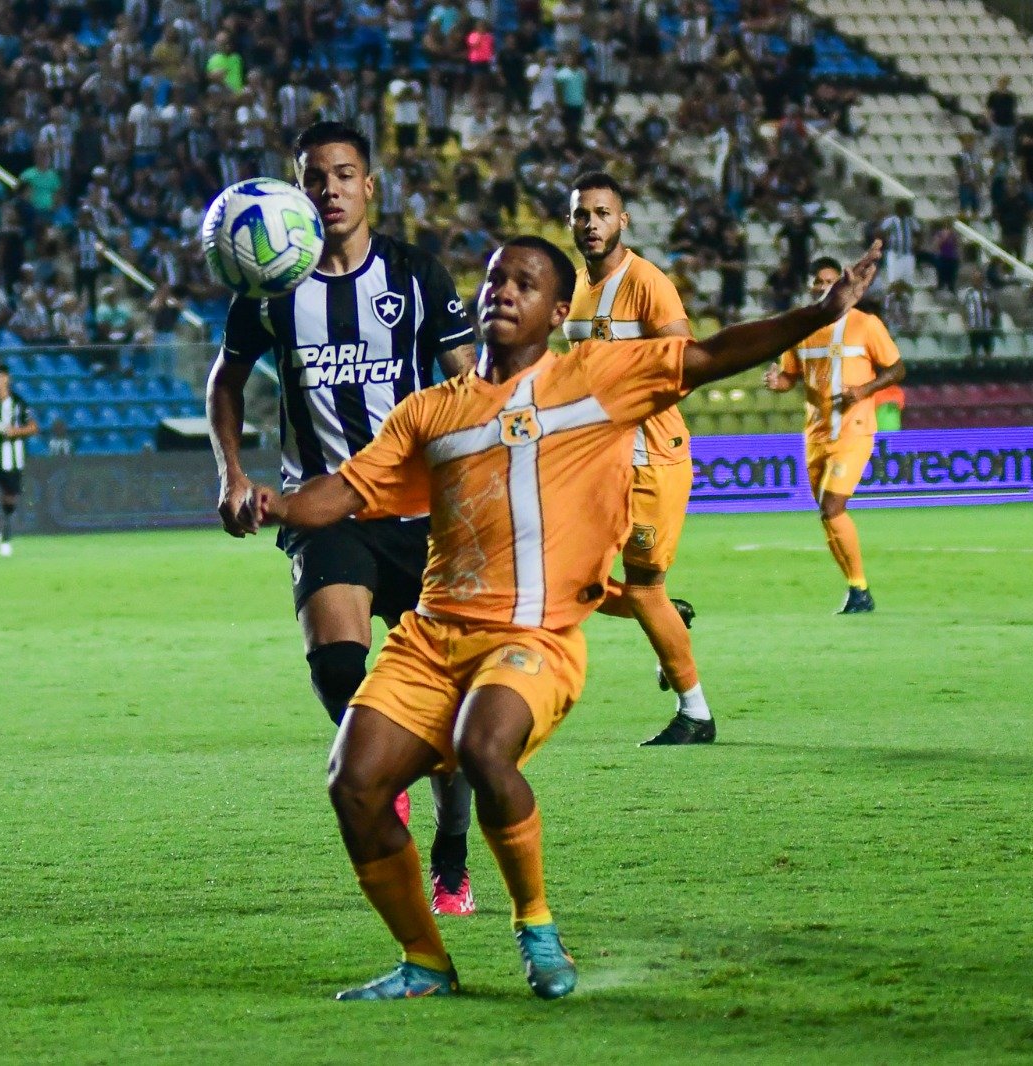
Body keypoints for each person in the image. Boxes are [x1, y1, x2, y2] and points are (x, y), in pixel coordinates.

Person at [236, 235, 883, 1002]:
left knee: (484, 747)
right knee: (354, 782)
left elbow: (711, 356)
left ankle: (535, 927)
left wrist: (819, 312)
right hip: (435, 635)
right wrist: (270, 502)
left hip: (534, 637)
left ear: (558, 309)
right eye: (496, 278)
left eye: (526, 283)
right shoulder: (430, 412)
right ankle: (426, 961)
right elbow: (344, 492)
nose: (503, 291)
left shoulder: (601, 378)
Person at [207, 121, 481, 915]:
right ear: (298, 190)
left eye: (344, 174)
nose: (329, 188)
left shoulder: (417, 275)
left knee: (455, 699)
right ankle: (380, 766)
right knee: (335, 666)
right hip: (323, 506)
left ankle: (452, 857)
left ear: (370, 187)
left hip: (423, 508)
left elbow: (466, 386)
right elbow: (226, 382)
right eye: (314, 177)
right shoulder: (266, 286)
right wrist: (233, 472)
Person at [564, 172, 711, 746]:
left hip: (651, 454)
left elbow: (688, 364)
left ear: (622, 221)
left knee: (643, 586)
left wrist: (629, 402)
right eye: (582, 214)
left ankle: (695, 713)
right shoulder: (574, 287)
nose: (592, 223)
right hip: (598, 460)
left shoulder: (648, 282)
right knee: (576, 580)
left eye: (602, 213)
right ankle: (670, 615)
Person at [765, 256, 905, 614]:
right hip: (815, 432)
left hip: (854, 428)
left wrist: (864, 390)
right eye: (817, 280)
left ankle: (859, 589)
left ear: (842, 286)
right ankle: (857, 589)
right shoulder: (800, 328)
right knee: (826, 513)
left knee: (832, 506)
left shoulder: (865, 324)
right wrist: (776, 382)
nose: (823, 285)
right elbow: (790, 377)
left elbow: (897, 368)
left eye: (830, 279)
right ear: (811, 287)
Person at [0, 363, 38, 558]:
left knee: (9, 500)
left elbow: (34, 427)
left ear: (7, 379)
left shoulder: (19, 404)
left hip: (13, 460)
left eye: (0, 377)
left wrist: (16, 431)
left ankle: (6, 539)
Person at [962, 270, 997, 365]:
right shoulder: (968, 293)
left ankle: (989, 371)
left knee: (988, 352)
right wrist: (965, 322)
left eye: (978, 279)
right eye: (974, 279)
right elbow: (964, 308)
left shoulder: (988, 292)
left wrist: (990, 307)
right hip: (974, 328)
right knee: (973, 352)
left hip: (986, 327)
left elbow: (995, 307)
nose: (976, 281)